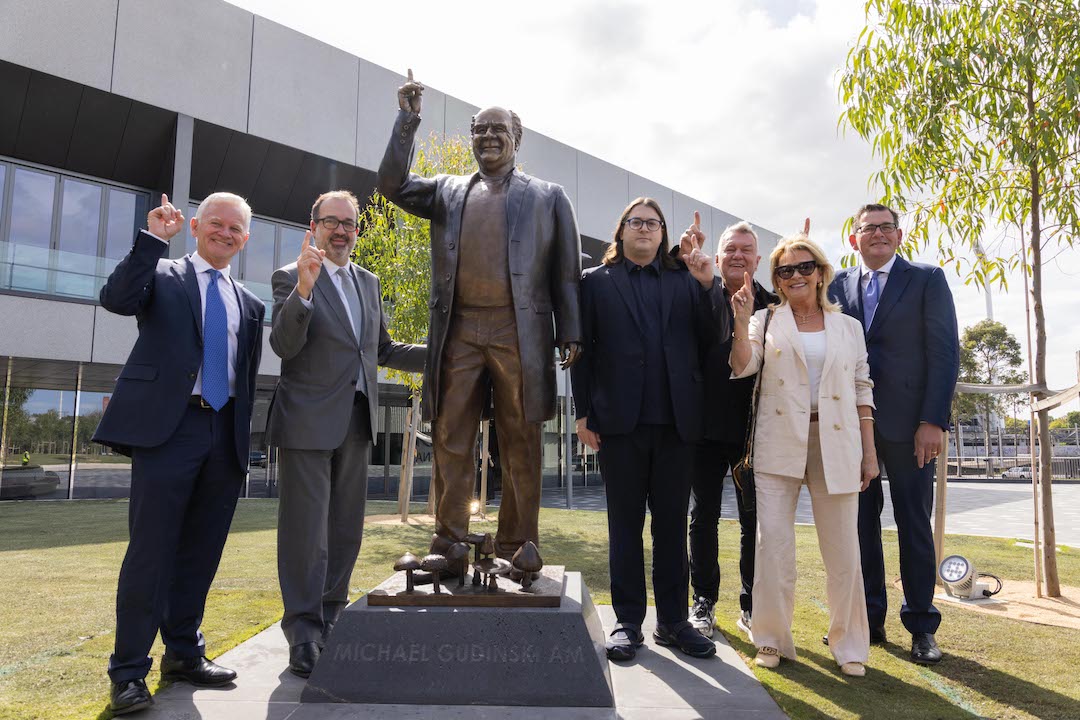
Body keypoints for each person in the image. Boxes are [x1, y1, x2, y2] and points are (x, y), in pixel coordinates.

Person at [377, 71, 581, 560]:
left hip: (520, 332)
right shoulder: (447, 190)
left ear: (517, 138)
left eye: (498, 130)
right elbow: (392, 184)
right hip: (460, 331)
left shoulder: (548, 197)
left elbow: (567, 274)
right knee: (450, 434)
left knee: (521, 439)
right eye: (480, 130)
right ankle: (449, 540)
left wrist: (570, 330)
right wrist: (407, 121)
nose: (488, 137)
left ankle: (517, 542)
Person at [93, 192, 265, 715]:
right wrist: (150, 241)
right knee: (152, 552)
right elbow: (116, 298)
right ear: (194, 225)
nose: (225, 233)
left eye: (236, 228)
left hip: (224, 433)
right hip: (169, 431)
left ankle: (184, 654)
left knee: (200, 554)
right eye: (216, 224)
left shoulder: (251, 304)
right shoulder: (162, 275)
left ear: (246, 238)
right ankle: (127, 673)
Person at [266, 190, 425, 678]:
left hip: (357, 421)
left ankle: (333, 614)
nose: (340, 230)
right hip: (307, 422)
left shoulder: (369, 282)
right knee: (304, 532)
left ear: (358, 231)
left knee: (343, 529)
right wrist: (306, 292)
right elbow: (283, 345)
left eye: (349, 223)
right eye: (331, 221)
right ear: (312, 226)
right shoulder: (290, 278)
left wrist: (444, 348)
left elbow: (381, 349)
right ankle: (303, 630)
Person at [572, 198, 723, 662]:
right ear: (621, 231)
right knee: (625, 525)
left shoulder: (687, 280)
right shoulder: (594, 283)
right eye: (635, 222)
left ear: (662, 234)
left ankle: (674, 622)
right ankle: (628, 622)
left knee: (672, 526)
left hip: (678, 422)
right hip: (619, 423)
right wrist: (582, 414)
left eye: (652, 224)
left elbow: (714, 335)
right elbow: (583, 352)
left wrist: (708, 283)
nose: (644, 229)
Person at [729, 233, 876, 677]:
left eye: (804, 267)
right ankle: (771, 639)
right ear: (776, 278)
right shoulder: (766, 319)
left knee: (844, 551)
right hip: (779, 441)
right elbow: (742, 366)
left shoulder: (848, 326)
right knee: (773, 545)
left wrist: (869, 453)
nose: (795, 276)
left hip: (838, 441)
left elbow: (862, 389)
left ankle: (849, 644)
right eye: (785, 270)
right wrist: (739, 322)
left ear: (821, 272)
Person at [829, 203, 959, 664]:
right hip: (852, 425)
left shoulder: (927, 279)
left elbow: (945, 354)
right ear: (854, 238)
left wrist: (934, 421)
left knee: (913, 526)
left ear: (899, 236)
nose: (878, 235)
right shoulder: (836, 284)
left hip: (910, 426)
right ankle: (869, 621)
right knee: (859, 525)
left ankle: (922, 625)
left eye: (887, 228)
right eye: (869, 228)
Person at [684, 221, 777, 639]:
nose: (738, 255)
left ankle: (752, 604)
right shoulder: (697, 296)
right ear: (717, 259)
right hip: (702, 429)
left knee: (752, 521)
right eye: (730, 250)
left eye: (746, 249)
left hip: (754, 434)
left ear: (758, 259)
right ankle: (703, 601)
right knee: (702, 517)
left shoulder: (776, 306)